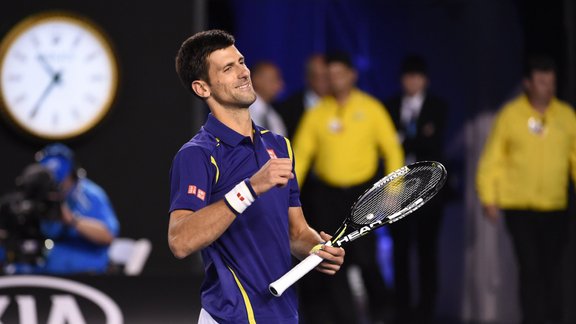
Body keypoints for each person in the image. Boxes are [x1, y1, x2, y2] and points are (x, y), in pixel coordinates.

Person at [169, 29, 345, 324]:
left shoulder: (280, 146)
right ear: (202, 88)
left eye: (241, 61)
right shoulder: (196, 155)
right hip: (230, 317)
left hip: (284, 314)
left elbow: (296, 232)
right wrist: (248, 190)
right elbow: (180, 241)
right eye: (228, 68)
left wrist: (316, 249)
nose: (243, 72)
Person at [293, 51, 404, 324]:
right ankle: (348, 318)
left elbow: (391, 150)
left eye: (341, 73)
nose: (335, 80)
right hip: (328, 196)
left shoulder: (370, 108)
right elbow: (301, 157)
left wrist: (393, 190)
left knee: (367, 260)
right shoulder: (317, 113)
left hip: (363, 194)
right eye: (330, 75)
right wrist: (286, 193)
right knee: (333, 261)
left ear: (352, 75)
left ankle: (384, 314)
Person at [476, 55, 576, 324]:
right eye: (542, 82)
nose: (548, 88)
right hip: (519, 206)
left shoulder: (566, 116)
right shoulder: (511, 115)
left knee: (553, 270)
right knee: (530, 269)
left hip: (555, 205)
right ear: (528, 83)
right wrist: (488, 197)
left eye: (551, 82)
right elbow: (492, 158)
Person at [384, 54, 448, 324]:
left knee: (427, 251)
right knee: (399, 251)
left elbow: (432, 147)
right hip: (398, 190)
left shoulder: (438, 106)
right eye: (408, 77)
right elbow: (389, 145)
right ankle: (401, 311)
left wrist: (405, 139)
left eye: (417, 77)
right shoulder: (388, 105)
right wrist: (416, 138)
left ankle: (426, 312)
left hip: (429, 191)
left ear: (425, 80)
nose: (412, 82)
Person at [35, 143, 120, 274]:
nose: (58, 186)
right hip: (47, 272)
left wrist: (72, 220)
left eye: (62, 180)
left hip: (89, 273)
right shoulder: (40, 197)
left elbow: (108, 236)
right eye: (53, 181)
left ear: (72, 173)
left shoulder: (92, 195)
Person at [276, 54, 329, 139]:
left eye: (326, 76)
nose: (322, 81)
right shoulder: (288, 108)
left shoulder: (340, 104)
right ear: (307, 78)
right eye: (317, 76)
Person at [249, 60, 287, 136]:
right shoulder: (242, 113)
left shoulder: (273, 116)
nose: (280, 84)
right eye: (274, 79)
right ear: (256, 80)